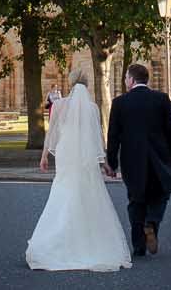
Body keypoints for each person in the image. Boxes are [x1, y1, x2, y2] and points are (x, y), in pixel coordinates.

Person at [25, 66, 130, 272]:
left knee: (64, 193)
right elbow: (97, 139)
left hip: (66, 154)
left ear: (71, 83)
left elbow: (52, 133)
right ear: (87, 83)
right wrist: (105, 163)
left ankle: (58, 241)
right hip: (86, 157)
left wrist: (45, 155)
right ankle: (90, 242)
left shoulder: (59, 105)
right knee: (88, 194)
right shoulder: (92, 108)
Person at [105, 62, 171, 259]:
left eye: (125, 78)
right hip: (159, 157)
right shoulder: (161, 99)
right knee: (161, 194)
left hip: (132, 160)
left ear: (131, 80)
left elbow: (113, 136)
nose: (125, 82)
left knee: (136, 200)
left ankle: (139, 246)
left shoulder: (120, 102)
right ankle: (152, 221)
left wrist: (112, 163)